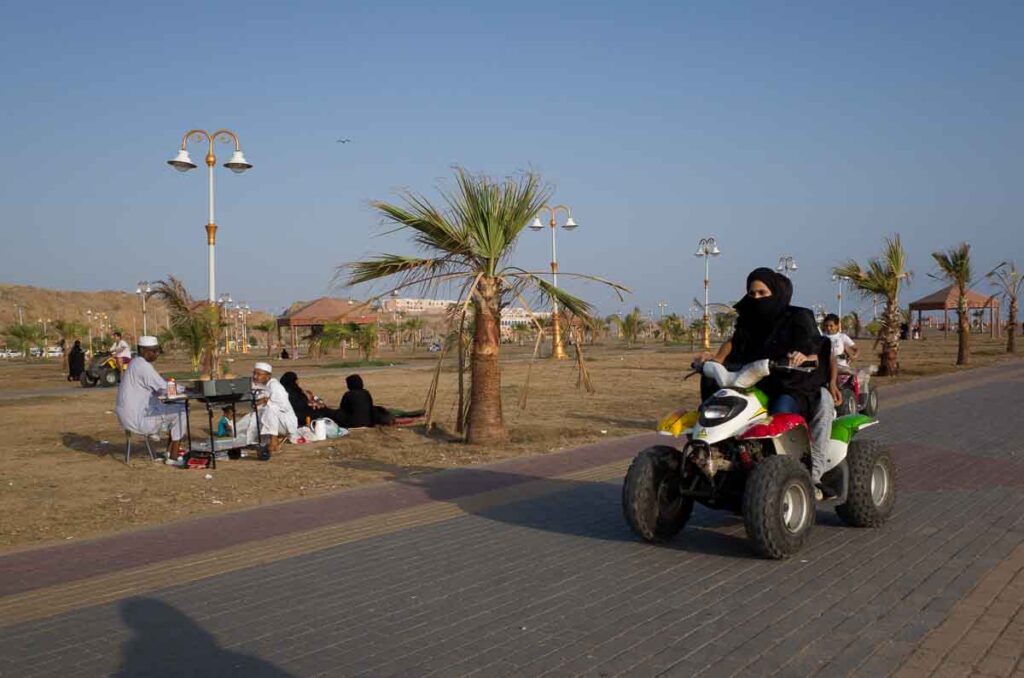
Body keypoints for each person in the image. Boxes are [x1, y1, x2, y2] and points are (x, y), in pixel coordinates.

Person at [699, 268, 840, 492]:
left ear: (777, 292)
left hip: (791, 382)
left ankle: (809, 476)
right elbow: (733, 342)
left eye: (762, 293)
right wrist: (715, 360)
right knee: (716, 403)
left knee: (783, 410)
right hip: (752, 380)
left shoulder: (797, 316)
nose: (757, 299)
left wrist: (804, 356)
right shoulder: (747, 319)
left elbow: (814, 343)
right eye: (752, 294)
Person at [114, 335, 185, 460]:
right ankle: (173, 456)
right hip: (138, 419)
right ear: (142, 350)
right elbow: (163, 387)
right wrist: (185, 389)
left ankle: (168, 451)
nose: (156, 354)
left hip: (128, 416)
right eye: (153, 351)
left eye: (157, 351)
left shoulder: (135, 363)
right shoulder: (143, 366)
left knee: (172, 406)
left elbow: (154, 388)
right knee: (181, 410)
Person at [240, 362, 297, 453]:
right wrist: (262, 401)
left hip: (285, 422)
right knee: (242, 425)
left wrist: (266, 401)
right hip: (265, 418)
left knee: (269, 409)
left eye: (259, 374)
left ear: (268, 376)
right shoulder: (257, 386)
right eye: (254, 373)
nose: (255, 376)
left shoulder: (275, 386)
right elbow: (253, 404)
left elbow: (283, 407)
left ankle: (273, 441)